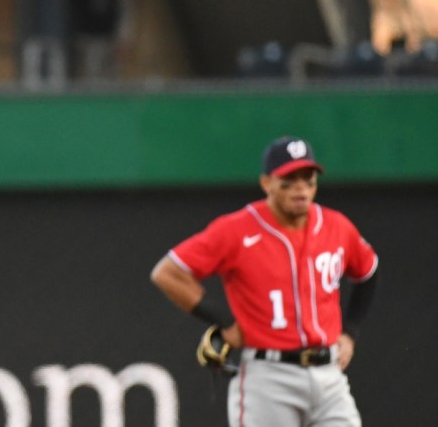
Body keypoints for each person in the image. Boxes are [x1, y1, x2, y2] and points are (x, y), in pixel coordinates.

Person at [151, 136, 380, 427]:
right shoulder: (236, 230)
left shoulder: (336, 226)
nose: (300, 187)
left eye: (307, 178)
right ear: (266, 183)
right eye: (289, 179)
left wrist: (350, 332)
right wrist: (225, 321)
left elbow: (368, 271)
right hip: (268, 377)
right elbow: (168, 273)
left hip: (329, 374)